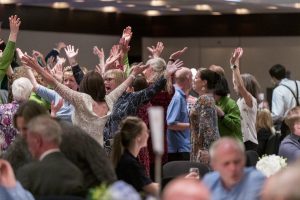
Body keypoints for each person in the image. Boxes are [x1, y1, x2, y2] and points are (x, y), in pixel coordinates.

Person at [21, 54, 148, 145]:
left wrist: (36, 67)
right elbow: (123, 87)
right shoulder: (109, 100)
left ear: (84, 85)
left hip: (80, 150)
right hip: (100, 151)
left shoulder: (81, 99)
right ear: (101, 86)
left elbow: (54, 82)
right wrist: (133, 74)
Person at [16, 115, 85, 197]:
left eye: (29, 141)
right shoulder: (76, 173)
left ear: (38, 141)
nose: (29, 147)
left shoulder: (28, 174)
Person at [112, 116, 159, 196]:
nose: (148, 135)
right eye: (146, 131)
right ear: (138, 137)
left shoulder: (127, 159)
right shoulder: (129, 163)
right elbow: (153, 189)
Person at [230, 47, 260, 151]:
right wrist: (235, 61)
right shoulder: (240, 100)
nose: (234, 85)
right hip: (241, 141)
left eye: (236, 83)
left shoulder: (250, 99)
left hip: (249, 142)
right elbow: (236, 80)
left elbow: (239, 86)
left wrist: (234, 66)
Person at [190, 68, 220, 164]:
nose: (194, 80)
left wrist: (207, 151)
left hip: (203, 149)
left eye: (196, 78)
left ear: (204, 82)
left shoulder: (205, 99)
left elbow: (208, 128)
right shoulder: (205, 98)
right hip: (200, 146)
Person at [0, 77, 33, 152]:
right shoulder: (33, 112)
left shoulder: (1, 109)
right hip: (26, 155)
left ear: (13, 91)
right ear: (29, 93)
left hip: (6, 155)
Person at [167, 67, 192, 162]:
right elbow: (170, 124)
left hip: (179, 149)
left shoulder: (178, 95)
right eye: (192, 77)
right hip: (178, 150)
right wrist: (192, 125)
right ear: (188, 78)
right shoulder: (177, 97)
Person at [269, 64, 300, 140]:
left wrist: (266, 118)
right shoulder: (298, 83)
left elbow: (277, 114)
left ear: (273, 77)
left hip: (289, 126)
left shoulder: (278, 90)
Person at [214, 75, 242, 141]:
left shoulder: (230, 103)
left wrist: (222, 115)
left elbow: (235, 126)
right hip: (221, 143)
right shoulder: (214, 102)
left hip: (233, 144)